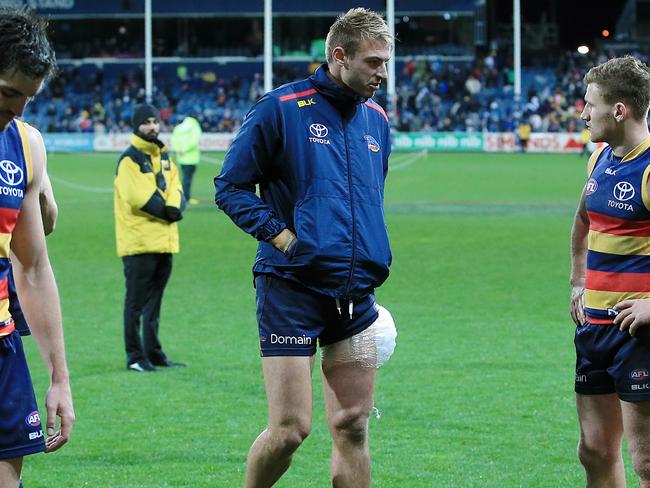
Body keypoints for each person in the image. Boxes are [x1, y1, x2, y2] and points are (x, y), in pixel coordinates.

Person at [215, 8, 393, 487]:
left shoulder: (377, 120)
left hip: (356, 294)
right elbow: (230, 187)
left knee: (352, 425)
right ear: (339, 56)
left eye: (386, 63)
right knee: (292, 429)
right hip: (291, 286)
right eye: (374, 62)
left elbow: (369, 199)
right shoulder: (280, 107)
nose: (383, 74)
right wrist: (286, 239)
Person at [0, 8, 75, 487]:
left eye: (28, 98)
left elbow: (31, 267)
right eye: (8, 93)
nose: (18, 110)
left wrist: (59, 378)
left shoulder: (24, 145)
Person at [569, 55, 650, 487]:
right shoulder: (599, 157)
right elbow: (584, 219)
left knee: (647, 460)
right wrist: (578, 279)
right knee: (595, 450)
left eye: (590, 105)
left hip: (638, 335)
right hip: (594, 327)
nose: (583, 114)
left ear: (619, 110)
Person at [114, 103, 186, 372]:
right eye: (147, 123)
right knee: (135, 304)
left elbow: (176, 185)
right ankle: (134, 356)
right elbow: (136, 197)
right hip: (139, 243)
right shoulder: (129, 159)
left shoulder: (165, 156)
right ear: (136, 126)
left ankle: (154, 352)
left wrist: (175, 206)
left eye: (155, 122)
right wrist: (168, 211)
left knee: (154, 304)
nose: (153, 127)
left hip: (164, 241)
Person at [170, 115, 202, 205]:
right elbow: (194, 141)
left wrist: (179, 150)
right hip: (192, 158)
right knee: (188, 179)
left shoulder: (178, 128)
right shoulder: (195, 127)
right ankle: (186, 198)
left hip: (181, 158)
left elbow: (173, 140)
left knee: (185, 177)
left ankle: (184, 196)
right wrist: (185, 150)